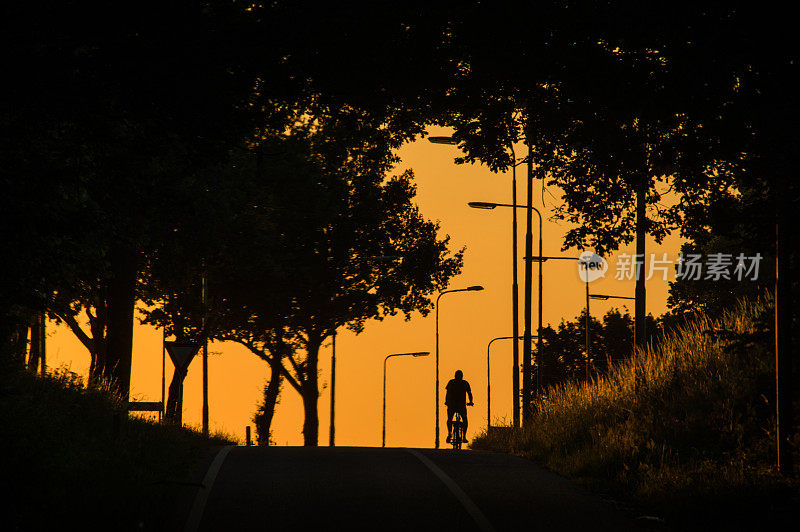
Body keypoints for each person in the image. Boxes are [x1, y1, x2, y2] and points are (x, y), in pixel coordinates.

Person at [445, 370, 473, 443]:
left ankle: (449, 433)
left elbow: (447, 393)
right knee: (465, 420)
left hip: (452, 405)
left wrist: (447, 402)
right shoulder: (465, 383)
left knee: (449, 419)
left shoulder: (451, 382)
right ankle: (464, 437)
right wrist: (470, 402)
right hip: (461, 405)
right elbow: (469, 393)